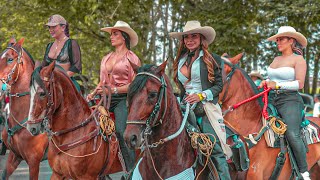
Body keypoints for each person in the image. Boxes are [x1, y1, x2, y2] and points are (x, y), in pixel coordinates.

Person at [169, 20, 231, 180]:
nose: (189, 40)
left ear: (201, 38)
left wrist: (201, 95)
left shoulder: (213, 59)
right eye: (186, 37)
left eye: (194, 36)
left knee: (215, 149)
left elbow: (219, 86)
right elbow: (182, 89)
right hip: (184, 108)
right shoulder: (180, 60)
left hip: (205, 108)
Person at [87, 21, 140, 174]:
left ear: (124, 37)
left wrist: (115, 90)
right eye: (111, 34)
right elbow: (102, 81)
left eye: (115, 34)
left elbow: (134, 84)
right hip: (104, 99)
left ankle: (132, 170)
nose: (112, 37)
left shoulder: (132, 58)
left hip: (123, 99)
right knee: (88, 125)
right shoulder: (106, 58)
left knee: (121, 130)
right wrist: (94, 91)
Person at [259, 26, 310, 179]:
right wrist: (266, 82)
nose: (277, 42)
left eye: (281, 39)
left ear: (291, 41)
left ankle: (304, 172)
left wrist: (277, 85)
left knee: (292, 133)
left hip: (290, 99)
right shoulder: (276, 59)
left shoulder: (298, 59)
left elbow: (300, 84)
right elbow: (273, 79)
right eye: (277, 39)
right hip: (272, 97)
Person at [43, 14, 82, 92]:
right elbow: (44, 66)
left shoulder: (71, 43)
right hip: (49, 84)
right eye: (49, 27)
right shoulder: (49, 46)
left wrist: (62, 78)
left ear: (63, 27)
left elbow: (76, 66)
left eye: (53, 27)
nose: (50, 29)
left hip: (67, 83)